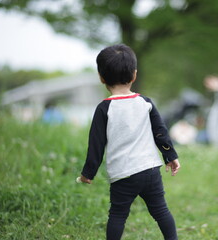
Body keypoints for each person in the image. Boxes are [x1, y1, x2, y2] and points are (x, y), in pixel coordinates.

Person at [78, 44, 180, 240]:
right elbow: (161, 133)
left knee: (117, 215)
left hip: (123, 174)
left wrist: (87, 174)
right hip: (150, 170)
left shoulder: (104, 108)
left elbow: (96, 145)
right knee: (161, 211)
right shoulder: (145, 103)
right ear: (134, 75)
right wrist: (170, 156)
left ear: (101, 77)